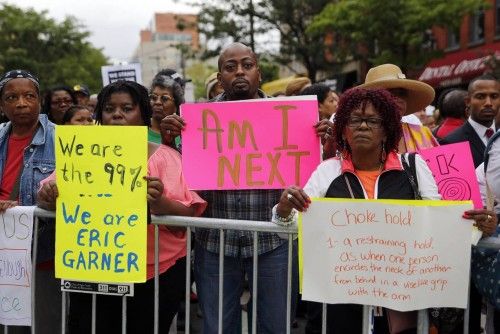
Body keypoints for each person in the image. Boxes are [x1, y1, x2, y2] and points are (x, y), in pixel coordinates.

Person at [272, 87, 496, 334]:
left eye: (373, 121)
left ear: (387, 129)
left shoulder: (413, 167)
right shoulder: (326, 173)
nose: (363, 126)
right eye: (355, 120)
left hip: (400, 305)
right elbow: (292, 226)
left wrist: (479, 228)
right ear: (343, 129)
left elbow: (439, 223)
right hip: (340, 303)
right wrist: (283, 209)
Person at [161, 42, 333, 333]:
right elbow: (178, 172)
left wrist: (324, 143)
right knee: (217, 327)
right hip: (215, 243)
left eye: (247, 65)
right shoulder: (197, 122)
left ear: (258, 73)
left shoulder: (293, 117)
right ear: (220, 76)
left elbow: (314, 173)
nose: (239, 72)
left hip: (273, 242)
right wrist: (169, 139)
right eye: (230, 67)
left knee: (275, 325)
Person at [37, 80, 206, 333]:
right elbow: (46, 193)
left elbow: (189, 214)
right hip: (93, 270)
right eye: (109, 108)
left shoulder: (166, 158)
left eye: (127, 108)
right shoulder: (80, 153)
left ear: (143, 115)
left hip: (155, 276)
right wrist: (48, 196)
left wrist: (161, 203)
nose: (117, 114)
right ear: (100, 116)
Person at [0, 69, 58, 333]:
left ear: (39, 101)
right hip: (4, 252)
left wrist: (43, 201)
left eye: (28, 96)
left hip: (41, 255)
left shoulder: (62, 140)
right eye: (12, 97)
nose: (21, 103)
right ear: (2, 105)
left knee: (43, 324)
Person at [359, 64, 439, 153]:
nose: (398, 99)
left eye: (402, 93)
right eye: (389, 93)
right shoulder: (358, 138)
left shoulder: (423, 134)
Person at [442, 74, 500, 168]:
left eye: (494, 96)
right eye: (480, 97)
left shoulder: (498, 134)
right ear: (468, 102)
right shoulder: (452, 142)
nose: (488, 103)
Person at [148, 73, 184, 149]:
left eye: (164, 98)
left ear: (176, 106)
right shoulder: (139, 131)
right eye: (153, 97)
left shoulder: (183, 134)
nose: (157, 102)